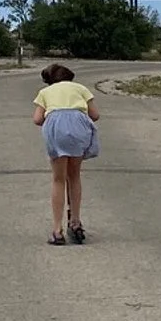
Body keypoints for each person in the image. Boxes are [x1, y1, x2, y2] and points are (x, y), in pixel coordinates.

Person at [32, 63, 99, 245]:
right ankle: (75, 222)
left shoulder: (45, 92)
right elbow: (95, 115)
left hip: (56, 127)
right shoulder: (81, 89)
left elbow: (37, 119)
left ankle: (57, 230)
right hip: (78, 127)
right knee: (74, 176)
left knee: (58, 179)